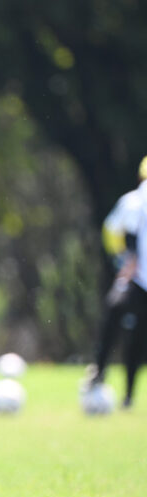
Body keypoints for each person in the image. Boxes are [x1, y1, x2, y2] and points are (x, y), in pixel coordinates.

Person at [87, 155, 147, 407]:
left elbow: (113, 232)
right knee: (135, 335)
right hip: (136, 278)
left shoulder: (132, 200)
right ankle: (116, 386)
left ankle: (100, 373)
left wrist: (120, 261)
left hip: (135, 278)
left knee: (115, 318)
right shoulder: (134, 201)